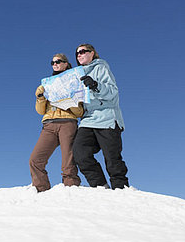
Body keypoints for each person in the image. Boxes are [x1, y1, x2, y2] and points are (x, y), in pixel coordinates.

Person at [72, 44, 129, 189]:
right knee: (79, 153)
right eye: (77, 53)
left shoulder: (101, 67)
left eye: (83, 51)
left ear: (92, 53)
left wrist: (95, 85)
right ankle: (100, 187)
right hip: (88, 119)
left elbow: (113, 92)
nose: (79, 54)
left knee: (112, 158)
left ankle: (121, 189)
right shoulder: (75, 75)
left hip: (107, 118)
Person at [29, 53, 83, 192]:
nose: (55, 64)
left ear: (66, 63)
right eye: (52, 62)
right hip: (49, 124)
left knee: (68, 161)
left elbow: (80, 112)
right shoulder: (47, 84)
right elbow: (40, 111)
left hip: (67, 123)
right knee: (35, 159)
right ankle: (41, 190)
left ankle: (71, 189)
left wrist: (67, 101)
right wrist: (40, 97)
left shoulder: (74, 82)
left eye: (58, 61)